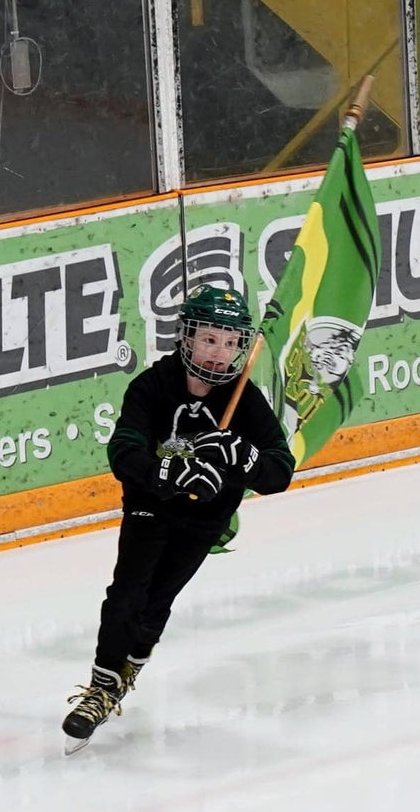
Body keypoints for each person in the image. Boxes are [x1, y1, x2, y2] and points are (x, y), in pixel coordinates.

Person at [62, 284, 296, 753]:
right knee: (128, 590)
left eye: (231, 343)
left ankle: (131, 665)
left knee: (158, 598)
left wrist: (243, 456)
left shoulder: (244, 399)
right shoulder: (151, 387)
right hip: (151, 505)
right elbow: (123, 451)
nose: (219, 353)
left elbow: (280, 470)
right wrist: (167, 471)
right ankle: (101, 688)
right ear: (186, 338)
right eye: (210, 339)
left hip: (205, 519)